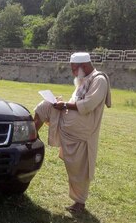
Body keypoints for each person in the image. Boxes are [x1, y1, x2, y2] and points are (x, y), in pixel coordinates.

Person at [33, 52, 111, 213]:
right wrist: (59, 103)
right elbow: (75, 101)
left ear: (84, 66)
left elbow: (88, 104)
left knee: (79, 168)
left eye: (75, 69)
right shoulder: (84, 80)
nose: (73, 73)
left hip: (82, 132)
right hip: (68, 124)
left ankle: (79, 203)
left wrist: (65, 105)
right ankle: (30, 136)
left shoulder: (99, 80)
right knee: (44, 106)